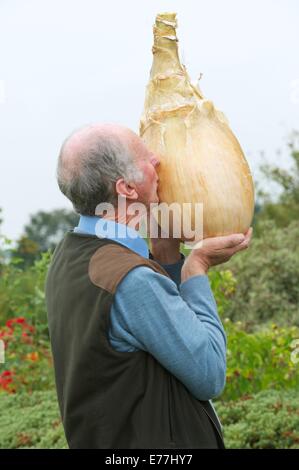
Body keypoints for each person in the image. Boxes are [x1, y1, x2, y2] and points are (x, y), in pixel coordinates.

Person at [46, 123, 252, 449]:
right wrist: (195, 267)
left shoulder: (70, 253)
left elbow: (145, 335)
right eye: (145, 156)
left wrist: (166, 258)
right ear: (127, 188)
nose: (157, 159)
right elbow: (210, 374)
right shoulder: (131, 280)